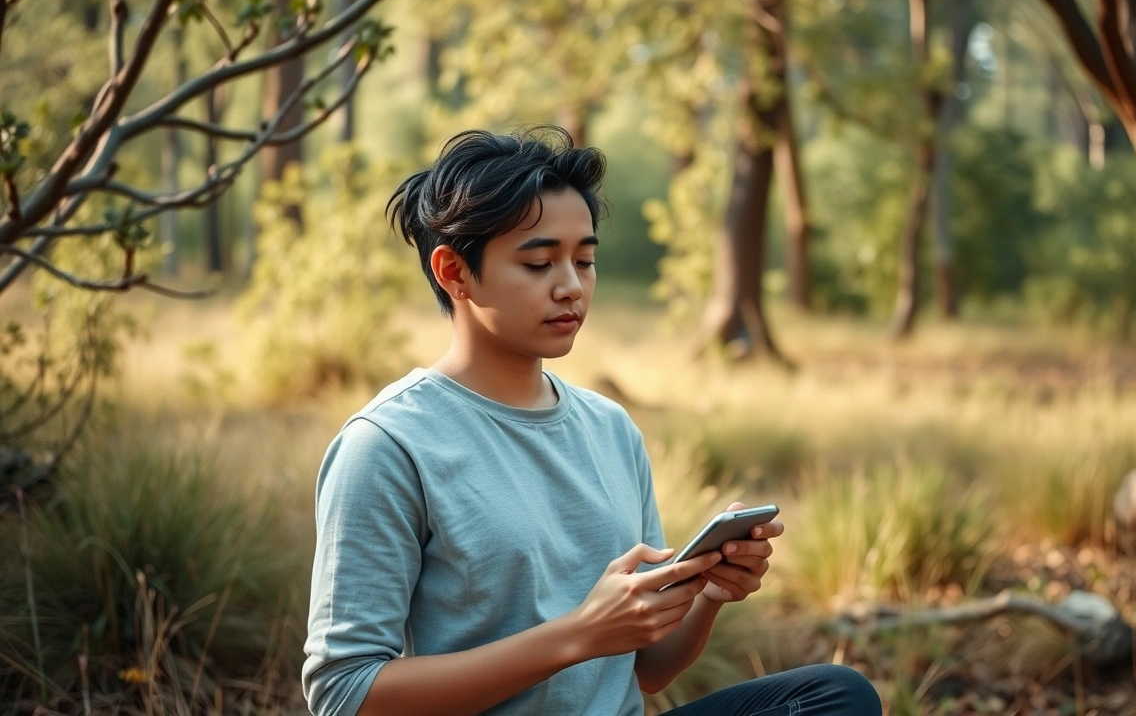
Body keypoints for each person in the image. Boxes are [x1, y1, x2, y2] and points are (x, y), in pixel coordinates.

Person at [301, 126, 881, 716]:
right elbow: (343, 693)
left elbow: (650, 669)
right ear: (454, 272)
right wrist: (577, 635)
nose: (572, 287)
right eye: (539, 263)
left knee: (836, 697)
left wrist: (708, 590)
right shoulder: (388, 446)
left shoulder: (609, 428)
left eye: (585, 260)